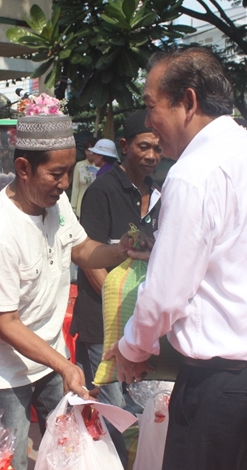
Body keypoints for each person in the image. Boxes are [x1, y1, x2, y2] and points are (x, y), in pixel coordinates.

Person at [105, 47, 247, 470]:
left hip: (224, 381)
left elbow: (166, 292)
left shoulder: (194, 174)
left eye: (152, 104)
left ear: (188, 102)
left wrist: (133, 349)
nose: (148, 119)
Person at [0, 109, 140, 470]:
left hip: (50, 355)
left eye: (68, 172)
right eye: (56, 174)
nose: (65, 184)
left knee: (66, 449)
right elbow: (4, 322)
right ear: (24, 168)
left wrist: (122, 248)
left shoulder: (57, 203)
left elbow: (81, 250)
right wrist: (63, 365)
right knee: (9, 469)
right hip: (6, 369)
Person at [71, 109, 162, 409]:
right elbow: (89, 258)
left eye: (158, 148)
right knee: (113, 411)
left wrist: (142, 317)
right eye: (144, 146)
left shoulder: (162, 195)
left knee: (141, 406)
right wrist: (122, 308)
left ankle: (137, 459)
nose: (151, 155)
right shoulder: (102, 192)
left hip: (142, 326)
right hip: (103, 324)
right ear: (124, 146)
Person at [70, 137, 99, 217]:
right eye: (87, 150)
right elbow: (75, 187)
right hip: (81, 203)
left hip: (97, 204)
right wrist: (73, 207)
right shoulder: (79, 165)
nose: (90, 153)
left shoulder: (101, 166)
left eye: (92, 150)